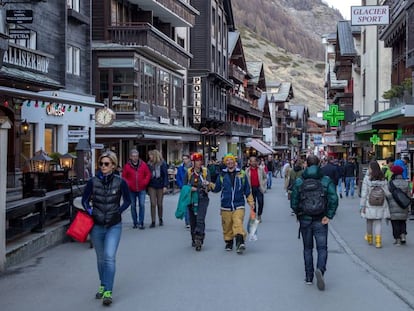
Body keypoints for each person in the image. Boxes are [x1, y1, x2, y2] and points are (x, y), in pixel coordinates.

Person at [82, 151, 131, 306]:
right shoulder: (92, 181)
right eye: (101, 163)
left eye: (106, 164)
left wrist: (119, 211)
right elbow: (84, 200)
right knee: (101, 258)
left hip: (114, 225)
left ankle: (108, 291)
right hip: (96, 225)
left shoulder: (120, 182)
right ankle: (103, 284)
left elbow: (128, 201)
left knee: (109, 256)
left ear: (113, 166)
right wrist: (90, 211)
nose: (103, 166)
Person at [290, 155, 338, 290]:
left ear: (306, 164)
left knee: (307, 249)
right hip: (321, 218)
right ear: (319, 164)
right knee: (322, 248)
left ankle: (309, 277)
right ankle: (320, 270)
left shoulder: (300, 181)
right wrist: (329, 215)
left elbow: (294, 200)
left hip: (305, 219)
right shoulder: (325, 180)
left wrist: (298, 213)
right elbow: (334, 198)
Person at [212, 153, 255, 254]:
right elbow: (217, 188)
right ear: (225, 162)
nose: (230, 162)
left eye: (231, 160)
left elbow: (247, 190)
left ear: (234, 162)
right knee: (227, 226)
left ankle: (240, 243)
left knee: (238, 222)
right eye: (227, 160)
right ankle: (229, 241)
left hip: (238, 204)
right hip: (225, 206)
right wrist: (209, 185)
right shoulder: (222, 175)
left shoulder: (242, 174)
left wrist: (251, 202)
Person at [183, 152, 211, 251]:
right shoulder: (189, 172)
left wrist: (207, 184)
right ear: (193, 162)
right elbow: (184, 186)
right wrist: (190, 189)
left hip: (202, 197)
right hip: (191, 199)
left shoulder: (205, 172)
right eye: (196, 161)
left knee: (200, 219)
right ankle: (194, 237)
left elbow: (209, 186)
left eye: (200, 160)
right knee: (193, 220)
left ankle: (199, 239)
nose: (199, 162)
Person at [359, 161, 390, 248]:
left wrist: (362, 206)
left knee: (369, 222)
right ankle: (378, 242)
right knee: (378, 222)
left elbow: (364, 193)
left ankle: (370, 239)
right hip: (381, 203)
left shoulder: (367, 179)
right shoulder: (383, 179)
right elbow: (387, 193)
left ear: (371, 169)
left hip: (369, 203)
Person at [122, 149, 151, 229]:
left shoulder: (143, 165)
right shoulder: (127, 166)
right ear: (130, 157)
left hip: (141, 188)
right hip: (131, 189)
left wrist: (145, 182)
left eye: (136, 156)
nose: (135, 158)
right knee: (133, 206)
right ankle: (135, 222)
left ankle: (141, 222)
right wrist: (128, 184)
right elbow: (124, 177)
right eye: (133, 156)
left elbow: (148, 174)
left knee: (142, 205)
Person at [387, 165, 410, 245]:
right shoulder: (406, 183)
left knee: (395, 223)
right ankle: (403, 235)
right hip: (404, 206)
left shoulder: (391, 183)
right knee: (403, 222)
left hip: (393, 206)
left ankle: (398, 240)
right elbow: (409, 195)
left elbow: (388, 195)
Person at [147, 149, 169, 228]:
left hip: (160, 184)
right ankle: (153, 221)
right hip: (151, 185)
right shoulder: (149, 164)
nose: (150, 157)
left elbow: (165, 175)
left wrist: (165, 186)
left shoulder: (162, 164)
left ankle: (160, 218)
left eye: (151, 155)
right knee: (153, 203)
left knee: (159, 203)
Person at [245, 155, 267, 222]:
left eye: (254, 161)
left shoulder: (261, 169)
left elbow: (265, 177)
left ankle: (259, 215)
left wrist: (263, 184)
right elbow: (245, 180)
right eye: (251, 161)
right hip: (251, 189)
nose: (253, 162)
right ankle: (254, 216)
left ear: (256, 162)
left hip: (259, 188)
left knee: (261, 202)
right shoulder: (247, 171)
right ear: (250, 162)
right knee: (253, 203)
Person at [176, 154, 192, 228]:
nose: (184, 160)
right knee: (185, 205)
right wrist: (181, 186)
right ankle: (187, 221)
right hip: (184, 188)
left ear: (189, 159)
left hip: (192, 187)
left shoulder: (192, 167)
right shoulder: (181, 168)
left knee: (192, 204)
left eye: (185, 159)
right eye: (183, 159)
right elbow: (178, 177)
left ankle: (193, 220)